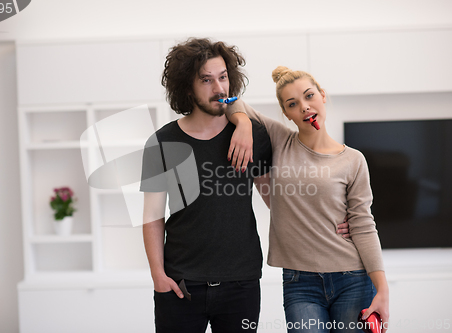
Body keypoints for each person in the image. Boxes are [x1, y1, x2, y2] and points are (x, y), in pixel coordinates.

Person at [140, 38, 351, 333]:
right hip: (180, 283)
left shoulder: (255, 135)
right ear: (187, 86)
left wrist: (331, 223)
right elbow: (152, 216)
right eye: (206, 80)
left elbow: (277, 201)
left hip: (241, 283)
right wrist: (158, 276)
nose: (219, 88)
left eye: (223, 77)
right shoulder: (162, 142)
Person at [226, 66, 390, 333]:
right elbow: (233, 104)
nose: (304, 107)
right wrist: (244, 123)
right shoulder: (279, 140)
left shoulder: (353, 160)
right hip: (299, 282)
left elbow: (363, 225)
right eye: (293, 104)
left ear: (322, 95)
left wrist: (382, 290)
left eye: (309, 96)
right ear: (286, 113)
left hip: (353, 278)